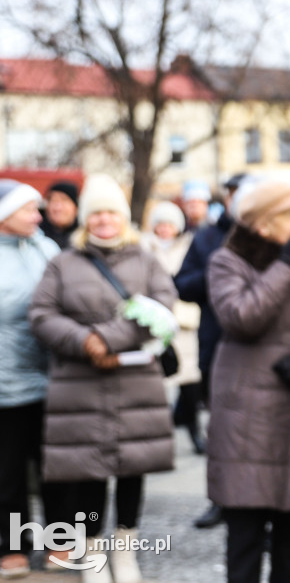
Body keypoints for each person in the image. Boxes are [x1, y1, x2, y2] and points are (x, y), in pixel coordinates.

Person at [29, 173, 177, 583]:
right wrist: (83, 342)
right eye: (96, 213)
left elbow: (163, 308)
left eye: (111, 212)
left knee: (133, 467)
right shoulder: (63, 263)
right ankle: (93, 550)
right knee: (88, 470)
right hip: (80, 381)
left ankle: (126, 551)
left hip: (134, 378)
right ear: (86, 219)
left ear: (123, 216)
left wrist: (107, 340)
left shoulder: (146, 260)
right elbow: (42, 315)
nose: (104, 221)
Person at [205, 178, 290, 583]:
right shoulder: (228, 261)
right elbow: (241, 317)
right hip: (248, 418)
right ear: (265, 223)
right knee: (246, 534)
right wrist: (286, 267)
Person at [174, 172, 244, 530]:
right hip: (217, 347)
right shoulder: (207, 238)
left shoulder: (278, 237)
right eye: (233, 195)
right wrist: (217, 272)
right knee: (220, 430)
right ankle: (220, 499)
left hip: (264, 354)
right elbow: (182, 285)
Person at [0, 180, 62, 578]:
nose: (38, 217)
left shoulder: (47, 249)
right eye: (28, 210)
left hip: (53, 380)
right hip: (4, 386)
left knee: (55, 469)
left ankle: (59, 542)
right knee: (7, 473)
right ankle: (12, 548)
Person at [140, 201, 204, 454]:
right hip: (155, 323)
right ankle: (158, 437)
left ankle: (195, 432)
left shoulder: (190, 246)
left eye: (170, 224)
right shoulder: (143, 247)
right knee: (157, 386)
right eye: (161, 224)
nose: (165, 229)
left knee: (189, 382)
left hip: (185, 321)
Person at [39, 180, 79, 249]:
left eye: (64, 201)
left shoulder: (84, 237)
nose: (58, 208)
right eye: (53, 201)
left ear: (75, 207)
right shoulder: (37, 234)